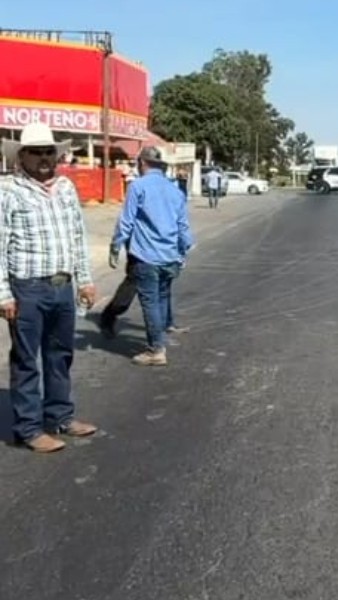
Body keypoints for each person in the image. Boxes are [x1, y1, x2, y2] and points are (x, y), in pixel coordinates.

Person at [0, 123, 97, 453]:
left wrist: (85, 279)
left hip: (62, 286)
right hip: (27, 289)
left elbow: (77, 236)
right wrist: (3, 294)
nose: (44, 158)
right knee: (27, 360)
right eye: (36, 152)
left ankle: (60, 417)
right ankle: (28, 428)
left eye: (49, 152)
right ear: (22, 156)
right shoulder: (8, 191)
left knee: (60, 356)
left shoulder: (66, 188)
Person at [109, 147, 194, 366]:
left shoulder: (138, 186)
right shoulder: (175, 190)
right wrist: (183, 251)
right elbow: (183, 227)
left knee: (151, 302)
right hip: (170, 256)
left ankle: (156, 349)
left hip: (146, 256)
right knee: (163, 296)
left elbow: (126, 221)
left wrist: (115, 247)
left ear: (142, 163)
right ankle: (162, 335)